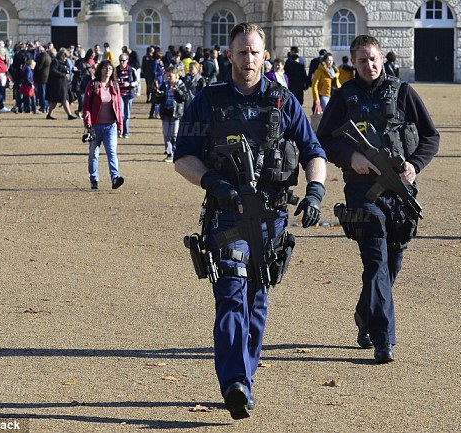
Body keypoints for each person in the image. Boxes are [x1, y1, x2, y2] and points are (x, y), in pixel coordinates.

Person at [174, 22, 327, 420]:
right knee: (230, 295)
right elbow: (183, 156)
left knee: (257, 302)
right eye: (241, 52)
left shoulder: (284, 101)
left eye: (254, 52)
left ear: (265, 56)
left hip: (272, 218)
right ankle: (235, 383)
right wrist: (211, 180)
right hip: (226, 216)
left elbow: (314, 151)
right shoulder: (206, 101)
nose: (247, 59)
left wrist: (315, 191)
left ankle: (245, 377)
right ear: (229, 56)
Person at [316, 34, 439, 363]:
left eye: (373, 59)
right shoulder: (344, 97)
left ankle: (364, 314)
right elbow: (324, 139)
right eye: (361, 60)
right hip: (361, 193)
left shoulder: (403, 93)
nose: (368, 65)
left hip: (399, 194)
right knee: (375, 261)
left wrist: (414, 165)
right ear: (352, 63)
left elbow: (430, 136)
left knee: (390, 264)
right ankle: (384, 339)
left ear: (382, 58)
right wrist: (350, 157)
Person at [82, 59, 124, 190]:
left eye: (110, 69)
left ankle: (115, 178)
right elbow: (86, 106)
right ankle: (94, 178)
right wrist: (88, 123)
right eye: (105, 68)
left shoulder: (115, 86)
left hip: (110, 126)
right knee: (94, 154)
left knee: (112, 152)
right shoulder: (93, 84)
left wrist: (120, 125)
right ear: (100, 70)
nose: (108, 70)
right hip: (95, 126)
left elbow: (118, 107)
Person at [154, 66, 187, 162]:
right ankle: (169, 153)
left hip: (175, 113)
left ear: (176, 75)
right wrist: (157, 93)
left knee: (175, 134)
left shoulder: (180, 84)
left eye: (170, 76)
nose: (168, 78)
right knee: (166, 134)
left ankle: (177, 152)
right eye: (167, 76)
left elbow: (184, 98)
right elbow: (158, 99)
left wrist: (176, 90)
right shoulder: (164, 85)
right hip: (165, 112)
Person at [46, 48, 77, 120]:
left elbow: (66, 69)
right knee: (55, 101)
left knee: (65, 99)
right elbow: (53, 71)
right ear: (61, 55)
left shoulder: (65, 62)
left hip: (64, 83)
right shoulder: (55, 61)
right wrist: (62, 74)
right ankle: (49, 114)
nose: (65, 58)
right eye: (65, 56)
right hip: (57, 84)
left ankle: (69, 115)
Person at [115, 52, 138, 138]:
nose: (121, 62)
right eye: (120, 60)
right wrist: (116, 81)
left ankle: (126, 132)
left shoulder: (131, 70)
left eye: (123, 61)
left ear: (127, 61)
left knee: (127, 115)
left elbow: (137, 82)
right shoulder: (116, 70)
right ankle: (120, 131)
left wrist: (130, 84)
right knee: (121, 114)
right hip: (119, 94)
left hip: (129, 94)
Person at [34, 46, 51, 113]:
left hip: (41, 77)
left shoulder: (42, 57)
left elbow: (38, 67)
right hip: (45, 77)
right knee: (44, 92)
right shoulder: (47, 56)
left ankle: (43, 107)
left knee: (42, 93)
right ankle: (46, 106)